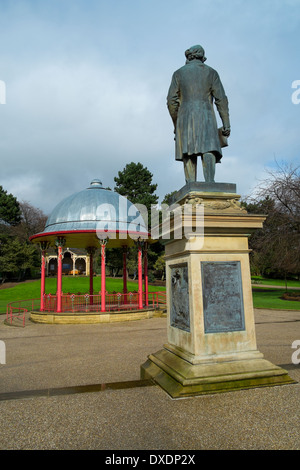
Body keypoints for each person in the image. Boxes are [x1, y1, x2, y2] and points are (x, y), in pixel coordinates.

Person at [167, 45, 230, 183]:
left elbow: (171, 101)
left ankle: (190, 186)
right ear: (202, 57)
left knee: (188, 151)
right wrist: (226, 123)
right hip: (206, 115)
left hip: (185, 118)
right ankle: (210, 183)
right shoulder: (211, 73)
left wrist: (176, 122)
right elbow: (221, 99)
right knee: (209, 148)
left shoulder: (178, 74)